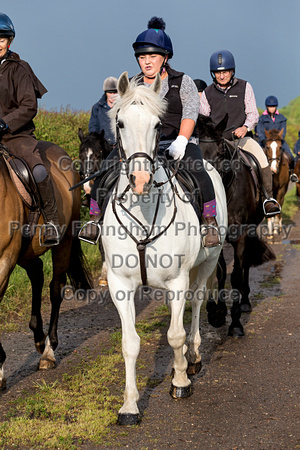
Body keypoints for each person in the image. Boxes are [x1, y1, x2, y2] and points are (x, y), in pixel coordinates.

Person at [81, 17, 220, 247]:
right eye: (142, 57)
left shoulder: (182, 81)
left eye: (152, 56)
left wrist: (182, 141)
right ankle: (95, 220)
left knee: (199, 172)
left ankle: (209, 222)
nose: (146, 62)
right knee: (105, 170)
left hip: (177, 142)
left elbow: (190, 113)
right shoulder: (133, 84)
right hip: (139, 146)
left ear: (165, 57)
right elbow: (120, 118)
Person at [0, 12, 59, 246]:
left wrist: (5, 123)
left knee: (38, 171)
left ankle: (53, 221)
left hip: (16, 136)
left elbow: (28, 106)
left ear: (9, 41)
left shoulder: (19, 68)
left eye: (1, 39)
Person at [199, 49, 281, 217]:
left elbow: (253, 113)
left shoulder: (244, 86)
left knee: (261, 158)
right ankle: (201, 203)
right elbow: (204, 118)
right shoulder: (207, 93)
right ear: (212, 73)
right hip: (217, 142)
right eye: (217, 73)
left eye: (225, 72)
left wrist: (245, 127)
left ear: (232, 71)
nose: (221, 76)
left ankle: (268, 199)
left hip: (241, 139)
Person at [257, 96, 298, 182]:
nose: (272, 108)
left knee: (290, 155)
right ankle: (256, 175)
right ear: (266, 107)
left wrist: (279, 139)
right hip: (265, 142)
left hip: (279, 142)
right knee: (256, 157)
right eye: (270, 106)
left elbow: (284, 131)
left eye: (273, 106)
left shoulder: (282, 118)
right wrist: (263, 140)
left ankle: (292, 173)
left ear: (276, 107)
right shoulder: (261, 119)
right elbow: (260, 131)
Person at [88, 77, 118, 145]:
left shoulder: (123, 107)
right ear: (105, 93)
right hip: (103, 145)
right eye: (110, 93)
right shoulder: (97, 108)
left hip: (119, 145)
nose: (113, 95)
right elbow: (93, 127)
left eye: (115, 92)